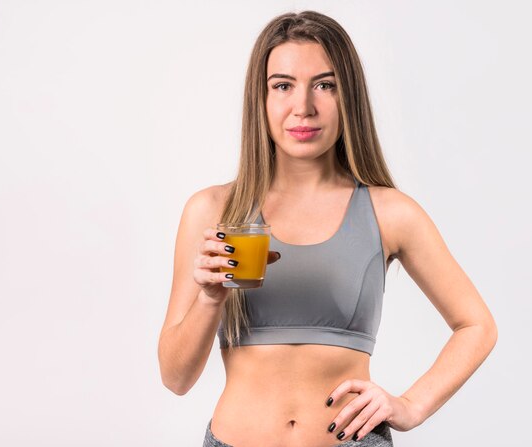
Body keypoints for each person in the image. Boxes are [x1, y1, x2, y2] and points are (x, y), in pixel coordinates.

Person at [157, 10, 497, 447]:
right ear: (260, 99)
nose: (304, 107)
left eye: (325, 85)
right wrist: (209, 299)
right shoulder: (213, 210)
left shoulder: (389, 212)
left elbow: (477, 325)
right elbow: (175, 378)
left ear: (348, 97)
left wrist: (410, 406)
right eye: (283, 85)